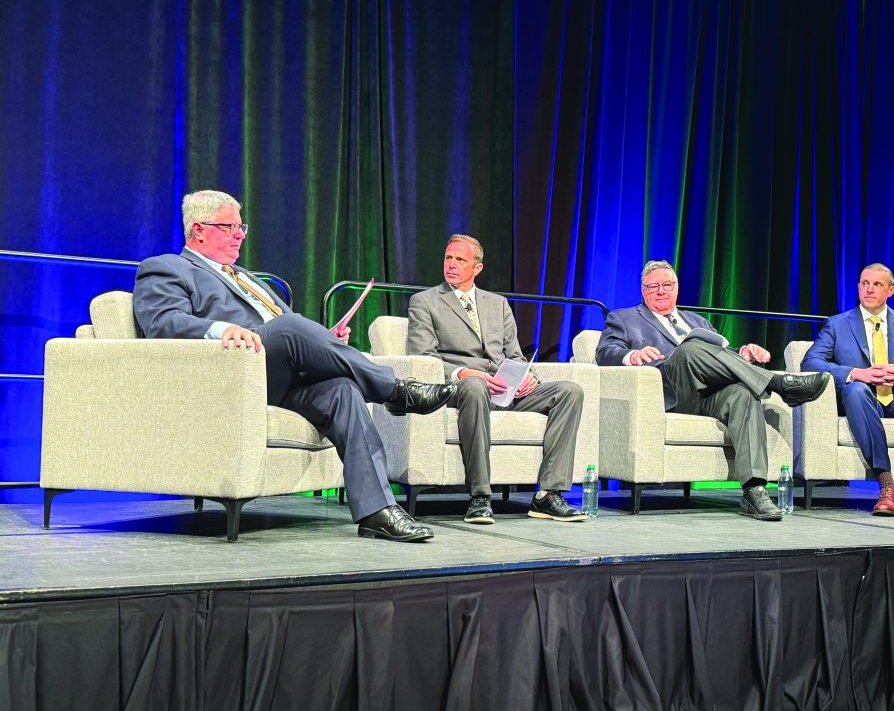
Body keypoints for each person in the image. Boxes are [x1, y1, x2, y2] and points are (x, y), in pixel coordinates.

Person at [133, 190, 456, 542]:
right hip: (230, 373)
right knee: (289, 327)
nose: (240, 234)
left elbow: (289, 328)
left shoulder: (245, 277)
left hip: (278, 372)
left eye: (242, 227)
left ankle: (377, 511)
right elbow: (162, 322)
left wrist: (327, 342)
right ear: (198, 230)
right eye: (230, 227)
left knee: (343, 390)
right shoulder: (167, 267)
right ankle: (395, 390)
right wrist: (222, 328)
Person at [595, 260, 831, 521]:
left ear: (677, 287)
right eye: (654, 286)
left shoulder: (697, 321)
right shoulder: (624, 318)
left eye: (667, 285)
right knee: (688, 348)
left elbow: (719, 358)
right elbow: (604, 352)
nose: (661, 291)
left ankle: (755, 491)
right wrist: (632, 355)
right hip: (668, 391)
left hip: (706, 395)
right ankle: (779, 384)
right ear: (643, 290)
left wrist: (742, 354)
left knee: (743, 393)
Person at [406, 234, 587, 525]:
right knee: (476, 386)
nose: (451, 264)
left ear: (477, 268)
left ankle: (548, 495)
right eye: (448, 258)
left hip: (503, 389)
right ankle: (479, 497)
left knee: (570, 391)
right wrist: (464, 372)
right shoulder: (425, 302)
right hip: (462, 387)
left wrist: (528, 376)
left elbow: (514, 355)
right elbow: (422, 357)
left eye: (460, 259)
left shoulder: (498, 304)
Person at [802, 263, 894, 517]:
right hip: (863, 400)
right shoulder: (837, 325)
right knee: (856, 390)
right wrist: (856, 374)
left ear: (891, 290)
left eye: (877, 284)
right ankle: (887, 486)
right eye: (864, 283)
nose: (869, 289)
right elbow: (810, 361)